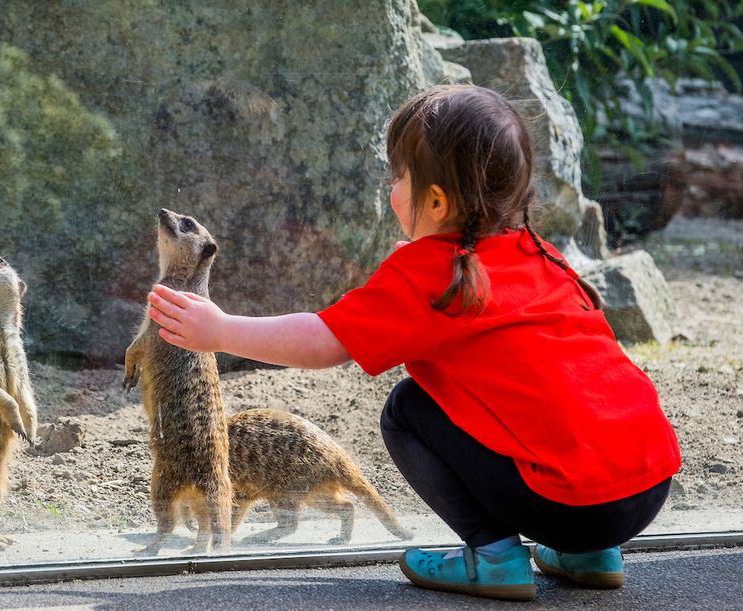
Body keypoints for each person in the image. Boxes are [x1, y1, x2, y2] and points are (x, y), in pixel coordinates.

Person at [144, 84, 681, 602]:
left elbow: (325, 341)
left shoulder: (428, 274)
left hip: (562, 503)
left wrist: (220, 329)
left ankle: (495, 560)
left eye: (398, 177)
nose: (391, 188)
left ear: (438, 201)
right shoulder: (542, 255)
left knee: (408, 408)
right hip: (646, 489)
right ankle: (592, 557)